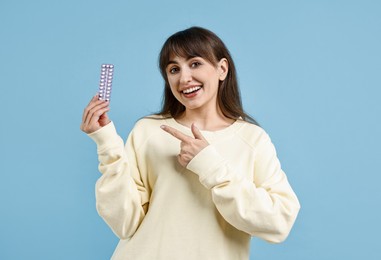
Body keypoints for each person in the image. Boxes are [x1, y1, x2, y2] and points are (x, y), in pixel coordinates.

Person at [80, 26, 300, 260]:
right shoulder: (148, 131)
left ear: (221, 69)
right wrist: (106, 144)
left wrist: (211, 167)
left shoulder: (252, 139)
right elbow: (124, 223)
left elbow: (279, 222)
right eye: (174, 69)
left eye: (195, 63)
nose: (184, 78)